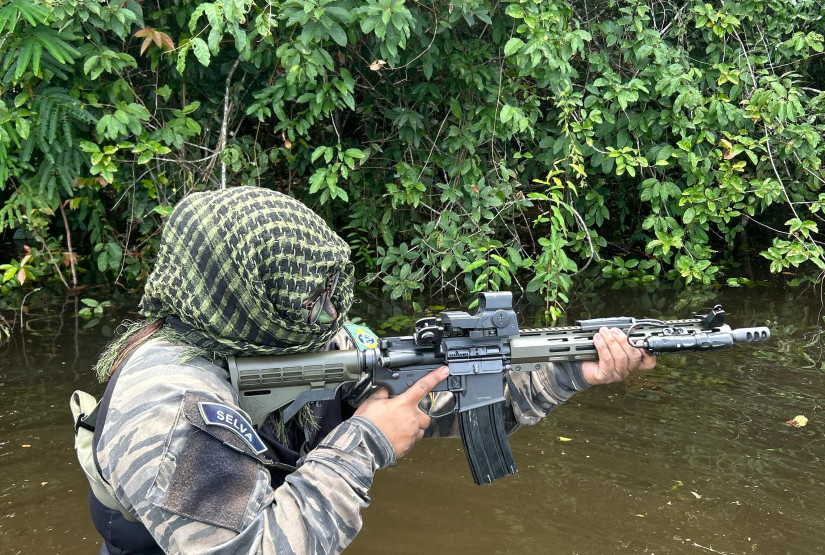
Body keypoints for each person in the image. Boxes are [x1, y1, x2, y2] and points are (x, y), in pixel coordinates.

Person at [77, 186, 655, 554]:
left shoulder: (278, 338)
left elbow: (445, 398)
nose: (331, 313)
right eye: (311, 298)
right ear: (243, 294)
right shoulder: (169, 407)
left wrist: (575, 371)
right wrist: (367, 440)